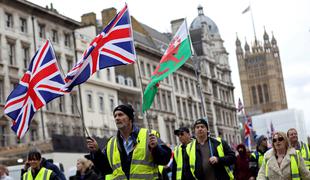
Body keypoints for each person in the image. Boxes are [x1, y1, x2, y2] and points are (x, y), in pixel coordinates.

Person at [86, 104, 172, 179]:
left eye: (120, 115)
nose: (117, 118)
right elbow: (105, 169)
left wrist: (156, 148)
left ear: (130, 118)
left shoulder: (148, 135)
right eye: (115, 116)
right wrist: (96, 152)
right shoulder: (111, 143)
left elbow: (164, 160)